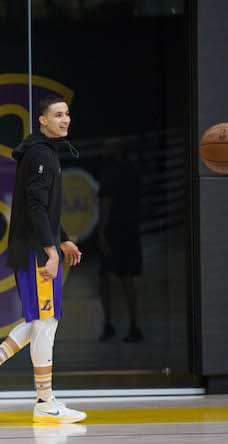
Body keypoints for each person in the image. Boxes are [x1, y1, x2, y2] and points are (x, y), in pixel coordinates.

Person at [0, 95, 86, 424]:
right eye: (57, 115)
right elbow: (35, 207)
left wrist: (62, 239)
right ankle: (45, 401)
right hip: (34, 251)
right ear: (42, 120)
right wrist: (50, 251)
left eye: (67, 114)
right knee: (45, 323)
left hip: (34, 246)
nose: (65, 119)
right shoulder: (42, 154)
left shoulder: (42, 151)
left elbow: (44, 208)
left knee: (38, 321)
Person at [96, 137, 143, 343]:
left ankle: (109, 323)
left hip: (115, 230)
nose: (103, 151)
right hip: (131, 227)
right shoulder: (133, 169)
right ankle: (134, 324)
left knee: (107, 277)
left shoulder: (110, 173)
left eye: (107, 148)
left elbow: (106, 203)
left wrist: (101, 232)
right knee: (128, 278)